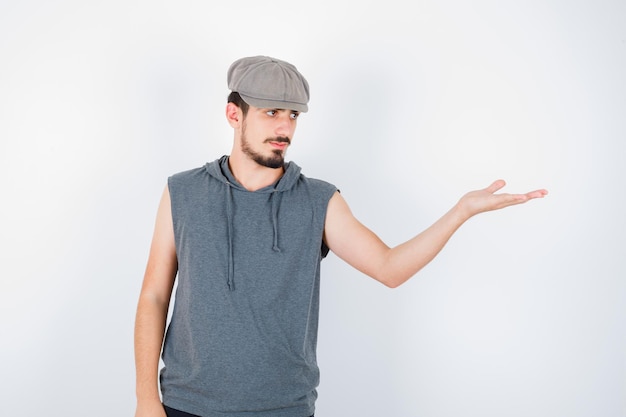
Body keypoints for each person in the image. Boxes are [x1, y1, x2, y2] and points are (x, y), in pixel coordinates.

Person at [134, 55, 548, 417]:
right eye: (272, 112)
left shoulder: (318, 200)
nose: (285, 128)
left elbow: (390, 269)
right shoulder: (183, 192)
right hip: (186, 404)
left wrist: (461, 212)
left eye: (293, 115)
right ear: (234, 114)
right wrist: (146, 400)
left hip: (283, 408)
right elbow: (154, 294)